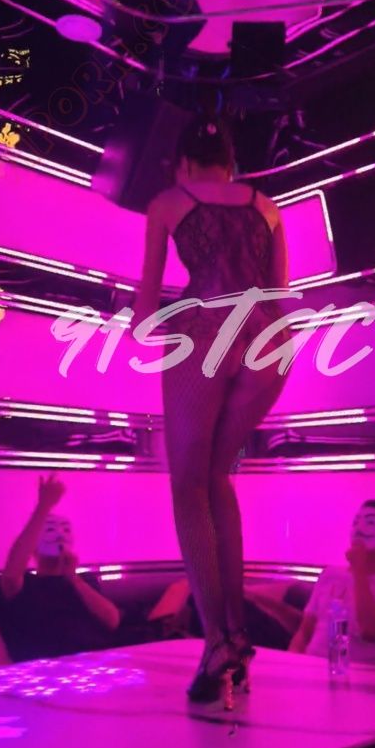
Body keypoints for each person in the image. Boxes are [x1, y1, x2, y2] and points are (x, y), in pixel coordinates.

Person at [131, 114, 290, 703]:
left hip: (203, 333)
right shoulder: (267, 206)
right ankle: (236, 634)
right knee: (219, 477)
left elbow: (148, 302)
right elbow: (278, 292)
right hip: (269, 343)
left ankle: (218, 641)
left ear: (183, 164)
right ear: (231, 163)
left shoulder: (168, 202)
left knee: (188, 486)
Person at [0, 473, 121, 662]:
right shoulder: (24, 584)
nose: (60, 535)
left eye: (66, 530)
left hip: (97, 663)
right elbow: (12, 573)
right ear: (33, 546)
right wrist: (43, 506)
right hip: (46, 667)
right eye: (50, 530)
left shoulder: (84, 582)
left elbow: (112, 620)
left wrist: (74, 579)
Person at [288, 501, 375, 664]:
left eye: (371, 523)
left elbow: (371, 630)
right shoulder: (330, 574)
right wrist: (292, 662)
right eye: (356, 522)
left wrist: (359, 571)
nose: (359, 528)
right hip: (310, 666)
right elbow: (304, 633)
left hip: (359, 673)